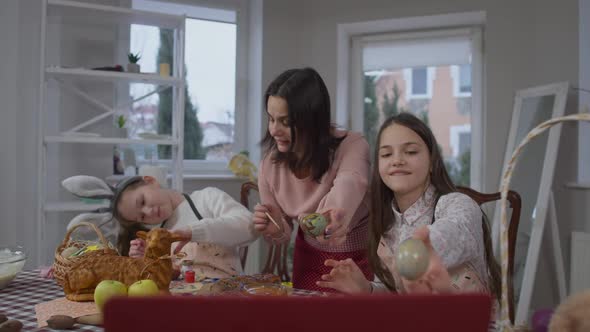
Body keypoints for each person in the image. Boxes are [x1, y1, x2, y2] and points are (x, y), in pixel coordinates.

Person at [316, 112, 501, 302]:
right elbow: (399, 296)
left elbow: (452, 233)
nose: (397, 160)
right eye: (387, 154)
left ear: (432, 162)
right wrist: (367, 289)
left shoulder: (458, 204)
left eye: (411, 152)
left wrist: (422, 247)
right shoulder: (385, 224)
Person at [252, 67, 372, 292]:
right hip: (307, 262)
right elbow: (283, 231)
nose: (274, 130)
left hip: (355, 266)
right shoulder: (270, 165)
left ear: (313, 120)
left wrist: (330, 218)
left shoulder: (352, 146)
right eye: (271, 119)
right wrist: (275, 226)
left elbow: (349, 185)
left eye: (285, 122)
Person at [113, 175, 257, 278]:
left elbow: (249, 226)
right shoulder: (157, 236)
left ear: (150, 181)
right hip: (183, 306)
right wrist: (147, 261)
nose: (148, 211)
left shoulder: (207, 199)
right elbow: (164, 278)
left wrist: (193, 232)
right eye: (142, 217)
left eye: (142, 201)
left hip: (227, 298)